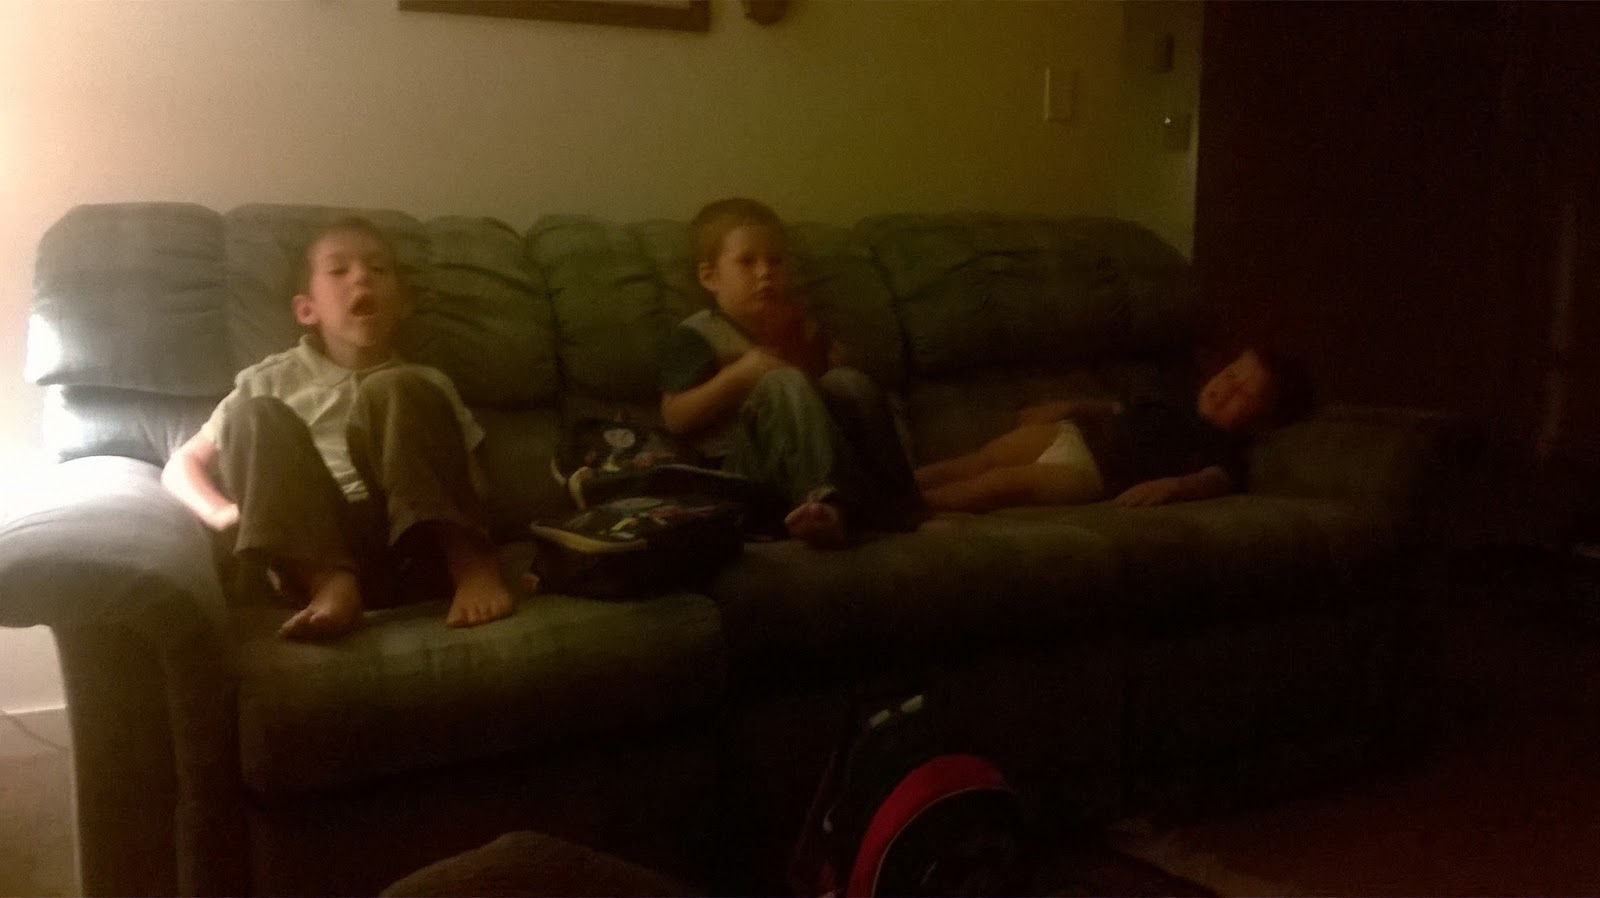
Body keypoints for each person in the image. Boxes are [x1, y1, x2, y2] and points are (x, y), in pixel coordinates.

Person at [162, 217, 515, 640]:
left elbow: (472, 477)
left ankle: (471, 567)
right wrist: (221, 513)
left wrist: (478, 522)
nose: (362, 276)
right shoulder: (269, 379)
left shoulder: (425, 384)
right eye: (338, 270)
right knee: (254, 416)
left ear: (404, 304)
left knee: (395, 387)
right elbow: (182, 464)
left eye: (378, 268)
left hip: (413, 541)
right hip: (308, 544)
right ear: (306, 309)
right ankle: (329, 582)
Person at [658, 198, 923, 547]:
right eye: (747, 262)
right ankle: (821, 505)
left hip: (821, 462)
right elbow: (674, 417)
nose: (765, 272)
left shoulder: (798, 325)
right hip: (742, 478)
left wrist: (825, 360)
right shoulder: (698, 334)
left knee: (848, 382)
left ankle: (902, 507)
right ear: (711, 277)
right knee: (782, 381)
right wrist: (738, 376)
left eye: (776, 261)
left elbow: (831, 396)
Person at [915, 348, 1314, 513]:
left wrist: (1177, 486)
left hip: (1092, 474)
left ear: (1263, 419)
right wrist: (1068, 406)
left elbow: (1218, 478)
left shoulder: (1226, 444)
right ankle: (901, 485)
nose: (1227, 388)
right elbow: (1117, 407)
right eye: (1230, 374)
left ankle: (912, 509)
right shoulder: (1173, 395)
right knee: (980, 460)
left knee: (999, 483)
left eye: (1245, 393)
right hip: (1075, 432)